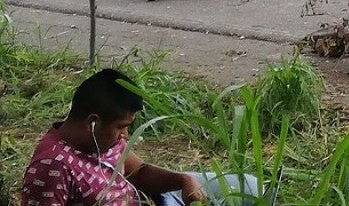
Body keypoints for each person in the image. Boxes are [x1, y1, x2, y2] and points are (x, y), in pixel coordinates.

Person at [20, 68, 259, 206]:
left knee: (251, 187)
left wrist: (183, 181)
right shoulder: (52, 168)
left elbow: (139, 171)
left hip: (157, 198)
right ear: (93, 122)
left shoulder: (103, 139)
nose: (125, 136)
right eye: (121, 127)